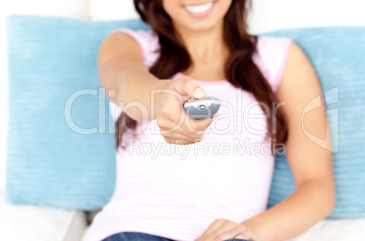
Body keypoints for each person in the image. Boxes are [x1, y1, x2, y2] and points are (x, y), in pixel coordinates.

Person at [83, 0, 335, 241]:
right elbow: (125, 82)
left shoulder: (281, 57)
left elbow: (317, 187)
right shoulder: (128, 44)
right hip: (132, 229)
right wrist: (164, 100)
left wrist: (249, 231)